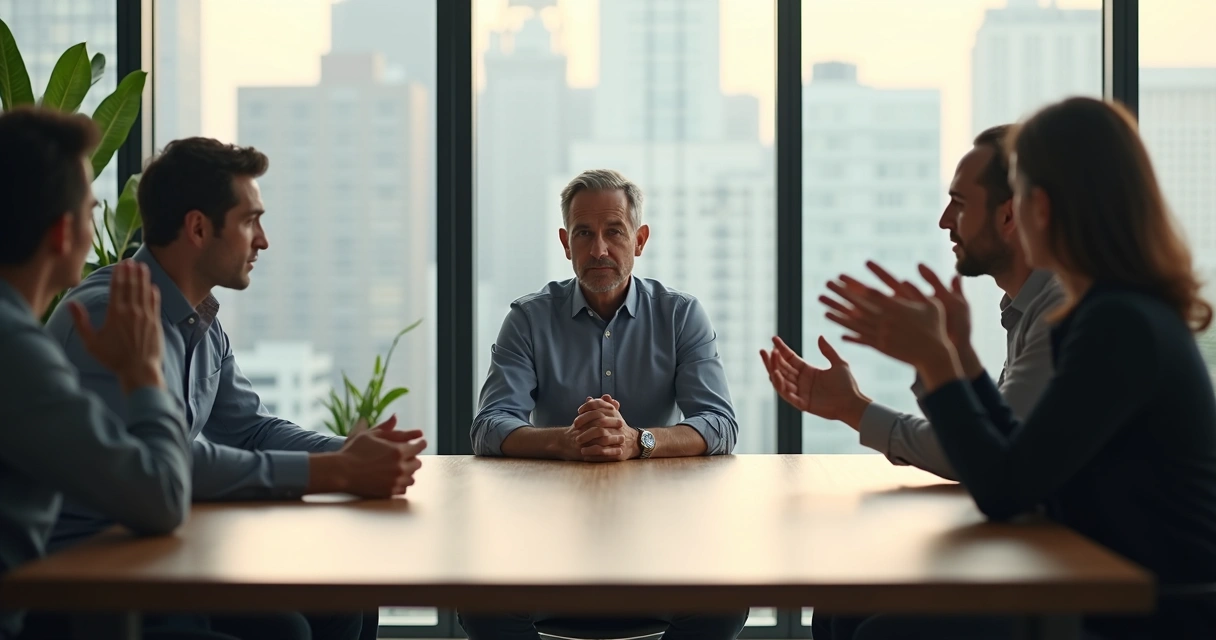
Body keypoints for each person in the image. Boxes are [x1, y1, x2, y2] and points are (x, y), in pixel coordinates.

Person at [813, 97, 1216, 638]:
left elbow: (1005, 488)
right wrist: (960, 358)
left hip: (1142, 610)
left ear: (1040, 207)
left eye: (1020, 195)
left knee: (874, 632)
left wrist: (938, 361)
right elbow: (1020, 455)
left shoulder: (1118, 324)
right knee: (844, 615)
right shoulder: (1113, 311)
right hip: (1092, 581)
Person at [44, 137, 427, 640]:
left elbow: (250, 429)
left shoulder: (199, 318)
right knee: (286, 630)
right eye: (250, 221)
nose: (263, 240)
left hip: (165, 551)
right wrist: (336, 470)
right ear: (199, 228)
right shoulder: (113, 314)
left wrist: (353, 451)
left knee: (346, 602)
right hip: (93, 573)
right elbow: (169, 465)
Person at [761, 126, 1064, 640]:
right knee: (839, 611)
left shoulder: (1059, 312)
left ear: (1010, 215)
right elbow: (994, 445)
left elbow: (992, 466)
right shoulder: (1029, 311)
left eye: (959, 204)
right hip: (1038, 548)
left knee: (871, 628)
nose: (945, 221)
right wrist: (948, 357)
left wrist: (870, 401)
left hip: (1076, 575)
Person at [461, 169, 747, 640]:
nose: (598, 250)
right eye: (583, 234)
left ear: (640, 239)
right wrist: (568, 443)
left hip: (660, 531)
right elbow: (488, 427)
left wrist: (639, 441)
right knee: (482, 609)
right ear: (564, 241)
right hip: (547, 531)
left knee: (721, 607)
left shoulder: (680, 315)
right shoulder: (528, 319)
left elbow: (719, 423)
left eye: (614, 232)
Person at [0, 108, 234, 640]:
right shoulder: (15, 350)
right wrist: (144, 372)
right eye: (91, 211)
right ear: (64, 234)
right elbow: (159, 498)